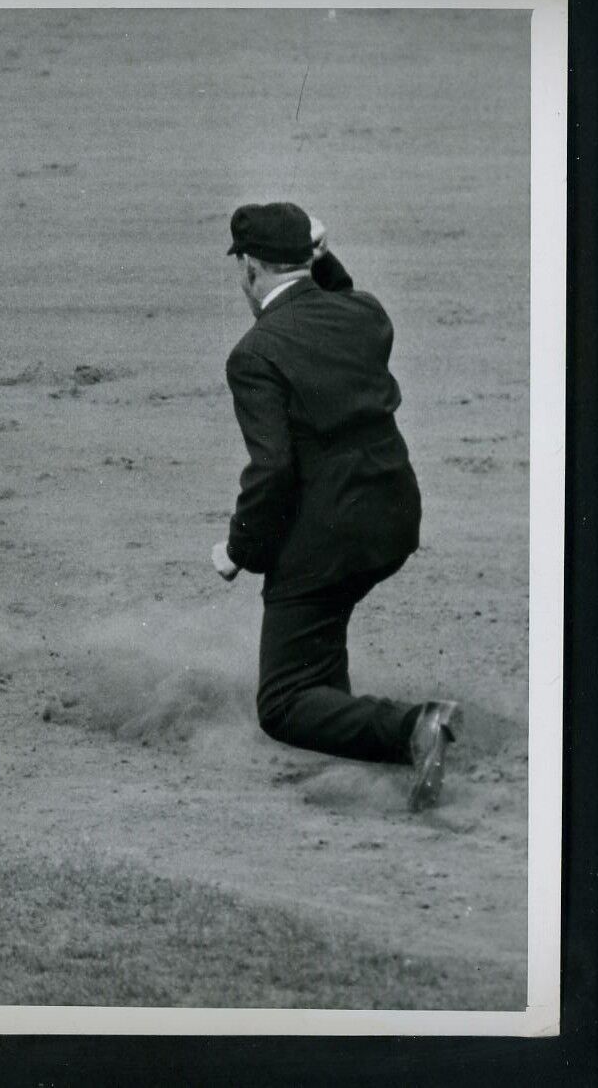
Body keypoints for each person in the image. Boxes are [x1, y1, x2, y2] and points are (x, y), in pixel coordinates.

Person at [212, 202, 462, 812]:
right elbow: (339, 298)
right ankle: (358, 745)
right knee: (315, 651)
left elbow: (271, 470)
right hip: (395, 517)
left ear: (249, 267)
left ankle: (414, 728)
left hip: (331, 535)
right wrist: (325, 263)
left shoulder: (255, 354)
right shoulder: (365, 315)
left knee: (283, 702)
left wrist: (238, 551)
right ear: (309, 259)